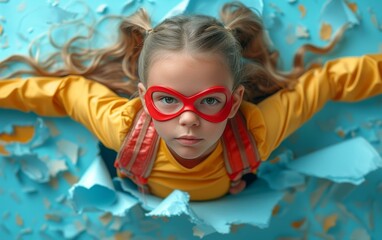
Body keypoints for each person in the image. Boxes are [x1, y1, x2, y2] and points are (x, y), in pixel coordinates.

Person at [0, 2, 381, 201]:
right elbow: (66, 93)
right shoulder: (121, 126)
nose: (188, 120)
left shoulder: (254, 132)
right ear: (142, 99)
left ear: (234, 103)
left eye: (208, 102)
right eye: (167, 99)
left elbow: (327, 81)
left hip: (230, 182)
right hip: (136, 174)